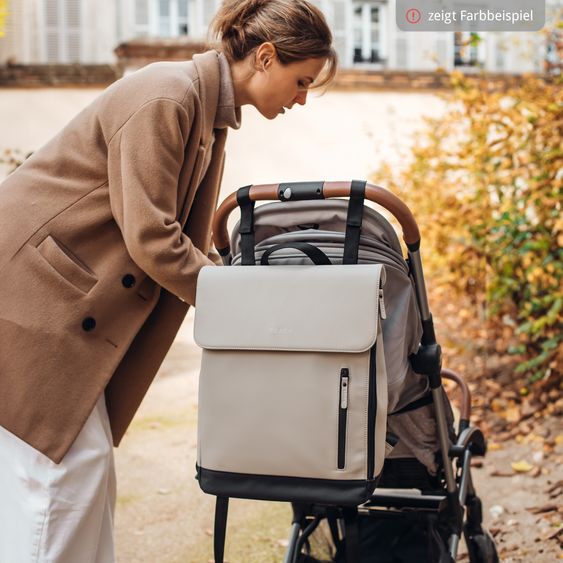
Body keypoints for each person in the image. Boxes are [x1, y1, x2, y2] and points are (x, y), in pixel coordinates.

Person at [0, 0, 337, 560]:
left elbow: (186, 234)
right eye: (301, 82)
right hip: (34, 298)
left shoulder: (205, 111)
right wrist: (245, 302)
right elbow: (153, 237)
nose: (301, 99)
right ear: (266, 56)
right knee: (59, 477)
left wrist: (235, 280)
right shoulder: (169, 95)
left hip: (58, 294)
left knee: (79, 474)